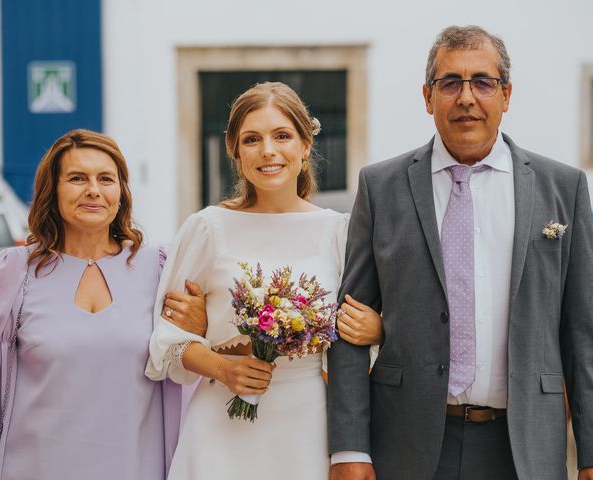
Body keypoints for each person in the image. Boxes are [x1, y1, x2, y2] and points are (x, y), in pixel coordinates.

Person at [327, 25, 593, 480]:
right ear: (428, 97)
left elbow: (582, 332)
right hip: (409, 442)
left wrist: (589, 452)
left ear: (506, 94)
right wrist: (349, 448)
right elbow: (348, 325)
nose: (466, 97)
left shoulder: (562, 188)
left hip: (523, 445)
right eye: (450, 83)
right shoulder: (381, 188)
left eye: (482, 82)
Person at [145, 81, 383, 480]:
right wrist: (223, 368)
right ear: (235, 153)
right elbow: (166, 343)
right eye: (251, 139)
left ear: (305, 145)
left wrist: (379, 330)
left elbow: (361, 337)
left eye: (282, 136)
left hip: (308, 423)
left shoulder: (339, 232)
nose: (268, 150)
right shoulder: (206, 228)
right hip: (221, 424)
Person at [0, 129, 207, 480]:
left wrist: (199, 328)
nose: (93, 189)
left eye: (106, 179)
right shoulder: (13, 271)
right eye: (77, 178)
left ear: (120, 192)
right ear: (53, 190)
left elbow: (187, 367)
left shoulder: (161, 269)